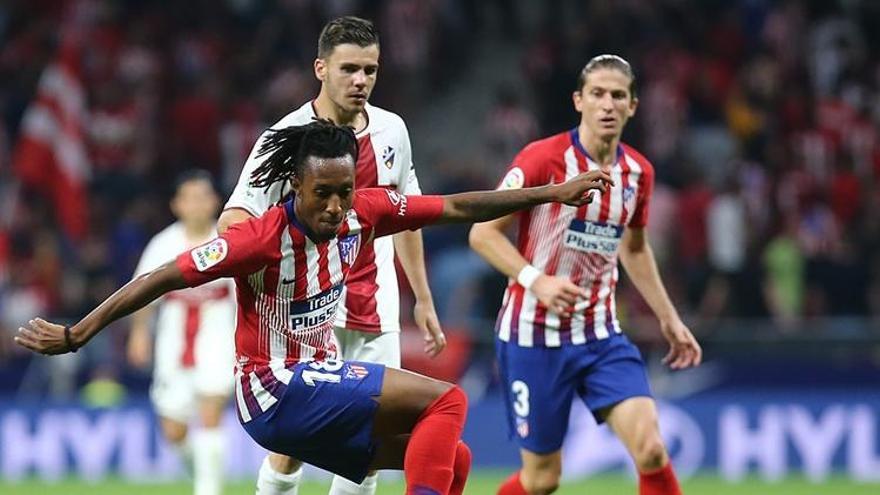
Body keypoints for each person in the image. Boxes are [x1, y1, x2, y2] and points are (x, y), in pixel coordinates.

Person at [16, 120, 613, 495]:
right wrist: (78, 334)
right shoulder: (258, 240)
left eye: (343, 191)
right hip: (271, 388)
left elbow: (457, 207)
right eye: (321, 193)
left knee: (452, 456)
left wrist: (551, 194)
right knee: (448, 399)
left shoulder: (367, 212)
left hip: (310, 387)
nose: (334, 205)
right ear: (295, 188)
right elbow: (162, 276)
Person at [218, 17, 443, 495]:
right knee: (293, 445)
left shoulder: (391, 131)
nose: (360, 81)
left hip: (375, 303)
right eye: (349, 69)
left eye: (370, 70)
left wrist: (422, 297)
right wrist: (279, 268)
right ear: (321, 68)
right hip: (307, 309)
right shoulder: (285, 139)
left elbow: (407, 214)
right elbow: (234, 222)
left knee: (371, 446)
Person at [469, 55, 702, 495]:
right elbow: (483, 235)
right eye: (597, 94)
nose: (607, 104)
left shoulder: (639, 173)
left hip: (600, 335)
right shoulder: (542, 159)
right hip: (533, 336)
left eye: (618, 95)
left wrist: (669, 318)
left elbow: (634, 248)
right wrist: (537, 280)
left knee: (651, 449)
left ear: (633, 106)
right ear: (579, 101)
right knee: (542, 480)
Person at [125, 170, 235, 495]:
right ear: (177, 204)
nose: (198, 204)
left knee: (211, 409)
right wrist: (139, 333)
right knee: (174, 430)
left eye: (204, 196)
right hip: (173, 339)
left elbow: (248, 291)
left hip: (217, 334)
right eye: (190, 197)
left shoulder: (229, 240)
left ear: (215, 201)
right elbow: (140, 292)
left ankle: (208, 489)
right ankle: (202, 471)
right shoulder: (164, 244)